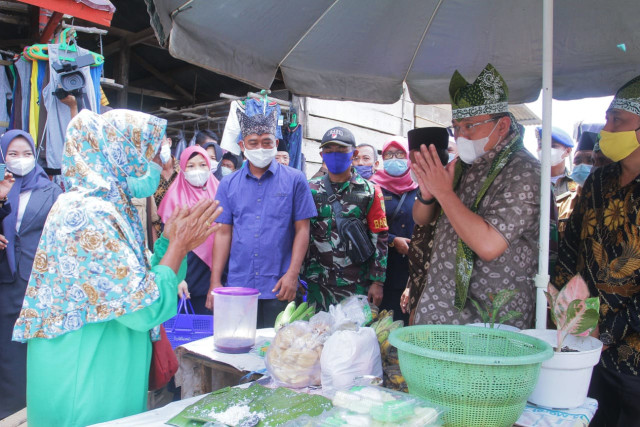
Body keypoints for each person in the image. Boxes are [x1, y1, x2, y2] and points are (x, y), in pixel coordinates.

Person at [11, 109, 222, 427]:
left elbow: (137, 280)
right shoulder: (90, 213)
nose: (157, 166)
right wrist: (178, 247)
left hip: (102, 368)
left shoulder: (108, 207)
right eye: (149, 155)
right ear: (120, 154)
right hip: (85, 382)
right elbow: (143, 307)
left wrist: (168, 243)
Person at [411, 64, 540, 328]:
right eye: (456, 127)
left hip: (490, 318)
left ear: (502, 125)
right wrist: (428, 195)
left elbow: (489, 245)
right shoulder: (463, 165)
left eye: (470, 126)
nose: (461, 136)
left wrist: (444, 193)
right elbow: (423, 219)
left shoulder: (525, 171)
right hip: (441, 308)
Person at [554, 75, 640, 427]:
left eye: (617, 120)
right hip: (586, 344)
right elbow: (571, 245)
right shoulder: (599, 181)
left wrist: (605, 333)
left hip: (631, 356)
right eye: (606, 118)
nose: (607, 128)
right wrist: (567, 315)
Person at [207, 110, 316, 327]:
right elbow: (223, 232)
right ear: (242, 146)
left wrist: (293, 274)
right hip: (239, 286)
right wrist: (215, 281)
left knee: (278, 351)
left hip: (280, 285)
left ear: (276, 142)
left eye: (266, 142)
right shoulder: (228, 184)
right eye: (253, 142)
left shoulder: (295, 180)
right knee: (238, 350)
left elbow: (303, 230)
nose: (260, 148)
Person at [0, 130, 62, 419]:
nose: (20, 159)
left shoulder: (50, 190)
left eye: (26, 153)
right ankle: (10, 413)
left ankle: (35, 414)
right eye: (12, 154)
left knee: (37, 352)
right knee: (8, 354)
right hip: (4, 281)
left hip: (38, 282)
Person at [302, 127, 389, 310]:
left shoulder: (370, 191)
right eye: (329, 151)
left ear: (354, 153)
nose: (335, 155)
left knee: (353, 336)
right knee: (317, 333)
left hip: (357, 283)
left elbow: (380, 237)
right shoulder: (309, 189)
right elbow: (300, 234)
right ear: (321, 155)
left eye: (341, 150)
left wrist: (377, 282)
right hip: (318, 282)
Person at [158, 145, 220, 314]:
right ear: (182, 169)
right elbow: (166, 242)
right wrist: (178, 278)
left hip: (214, 274)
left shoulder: (220, 193)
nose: (197, 170)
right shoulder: (173, 197)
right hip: (185, 273)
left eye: (202, 165)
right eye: (191, 166)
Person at [397, 127, 450, 323]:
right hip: (420, 289)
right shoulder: (423, 193)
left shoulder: (453, 193)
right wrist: (411, 286)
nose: (414, 166)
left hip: (440, 299)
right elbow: (421, 245)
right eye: (412, 160)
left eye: (422, 160)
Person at [371, 137, 418, 322]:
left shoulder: (420, 185)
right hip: (384, 271)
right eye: (389, 154)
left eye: (400, 154)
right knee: (386, 324)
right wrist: (392, 240)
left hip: (415, 269)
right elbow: (369, 227)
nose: (394, 158)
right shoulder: (374, 187)